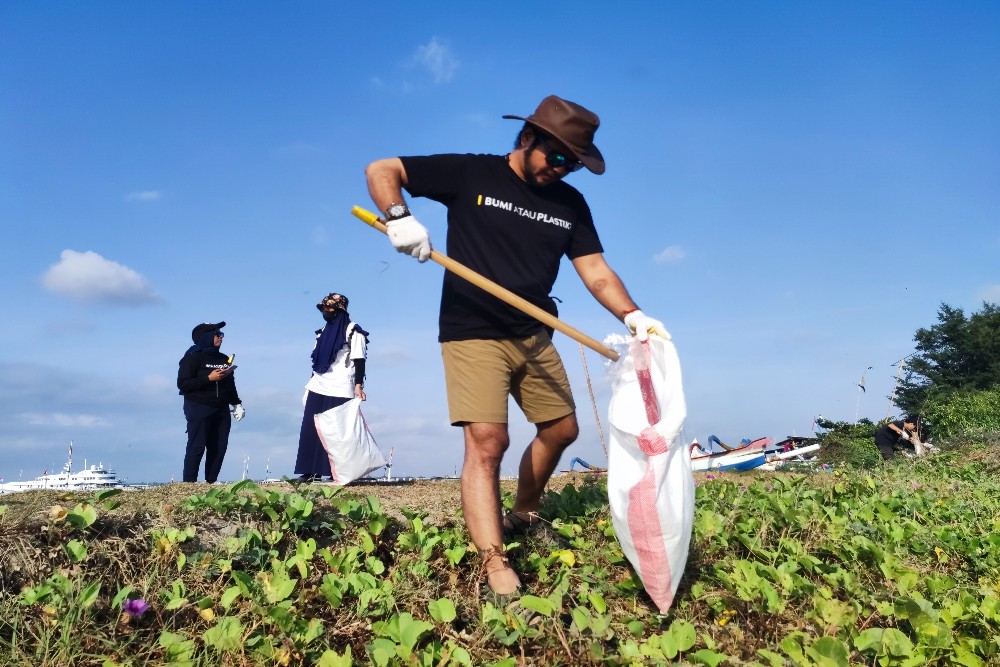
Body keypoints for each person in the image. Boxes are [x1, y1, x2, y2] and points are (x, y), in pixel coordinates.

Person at [365, 94, 670, 595]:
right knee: (489, 441)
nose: (563, 169)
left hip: (534, 330)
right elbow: (383, 168)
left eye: (573, 163)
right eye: (557, 157)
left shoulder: (570, 203)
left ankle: (524, 512)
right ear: (527, 138)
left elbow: (594, 270)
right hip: (473, 328)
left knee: (562, 429)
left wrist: (634, 315)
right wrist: (398, 215)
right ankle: (494, 563)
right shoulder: (471, 175)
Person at [294, 292, 369, 482]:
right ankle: (310, 471)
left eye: (328, 308)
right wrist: (309, 385)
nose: (325, 312)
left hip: (342, 385)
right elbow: (317, 361)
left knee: (337, 431)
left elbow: (359, 360)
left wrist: (358, 385)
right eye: (323, 308)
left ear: (339, 309)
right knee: (311, 428)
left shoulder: (353, 331)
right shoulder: (321, 332)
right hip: (319, 384)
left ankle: (338, 472)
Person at [177, 321, 244, 483]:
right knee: (197, 445)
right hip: (198, 405)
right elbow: (183, 384)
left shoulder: (223, 358)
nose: (221, 337)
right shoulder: (192, 358)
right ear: (205, 337)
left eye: (222, 334)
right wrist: (209, 378)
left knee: (219, 448)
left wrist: (237, 403)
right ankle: (189, 483)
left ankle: (211, 481)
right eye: (217, 334)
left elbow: (230, 384)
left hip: (221, 408)